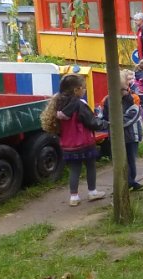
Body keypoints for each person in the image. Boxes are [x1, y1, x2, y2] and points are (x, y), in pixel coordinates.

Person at [40, 74, 108, 206]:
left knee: (74, 170)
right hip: (85, 142)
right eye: (83, 88)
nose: (84, 90)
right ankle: (92, 192)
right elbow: (91, 122)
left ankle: (74, 197)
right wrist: (105, 124)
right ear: (76, 90)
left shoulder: (57, 103)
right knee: (90, 166)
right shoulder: (79, 104)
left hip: (68, 144)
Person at [102, 71, 143, 192]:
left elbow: (131, 117)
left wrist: (113, 123)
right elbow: (105, 117)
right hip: (116, 136)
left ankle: (131, 181)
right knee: (118, 161)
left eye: (124, 89)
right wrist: (108, 122)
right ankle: (125, 183)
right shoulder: (108, 100)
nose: (122, 92)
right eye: (118, 90)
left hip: (130, 136)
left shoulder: (132, 99)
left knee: (131, 160)